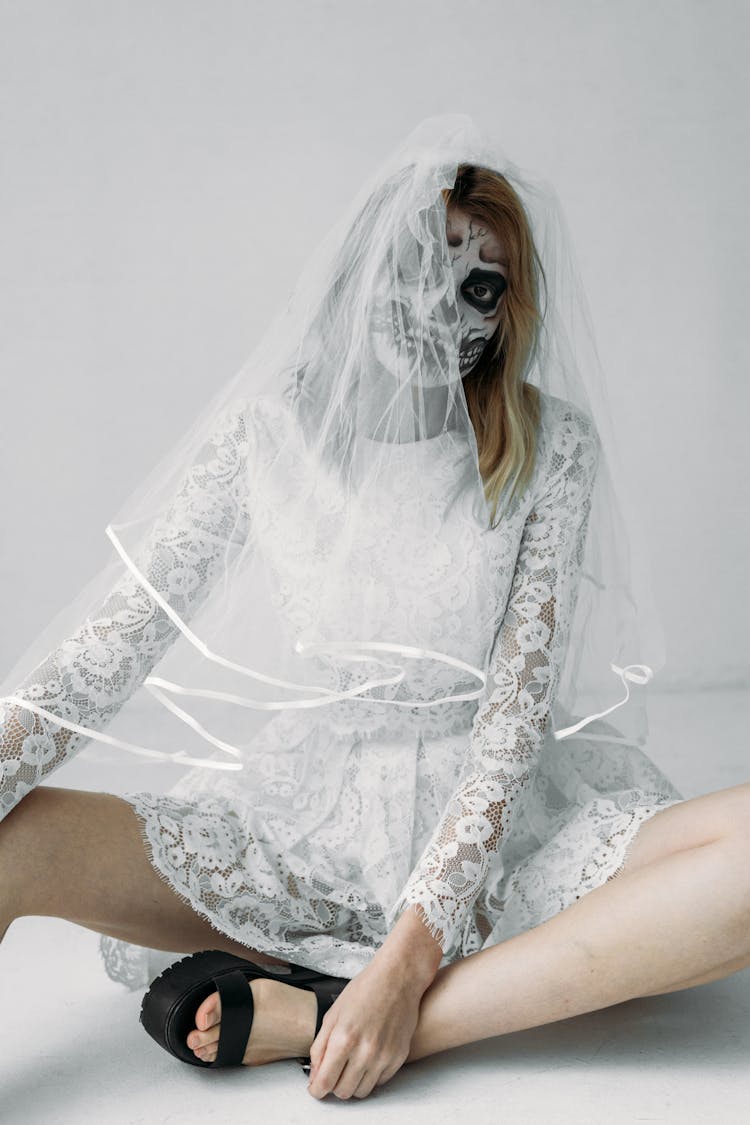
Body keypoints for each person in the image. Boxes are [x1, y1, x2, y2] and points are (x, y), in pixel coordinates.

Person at [1, 116, 747, 1104]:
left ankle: (349, 1014)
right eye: (415, 265)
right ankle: (371, 994)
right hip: (300, 836)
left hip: (495, 838)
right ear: (358, 268)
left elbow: (515, 715)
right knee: (14, 838)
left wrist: (406, 961)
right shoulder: (267, 435)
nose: (439, 306)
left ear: (504, 313)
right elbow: (109, 654)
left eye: (479, 285)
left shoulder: (549, 443)